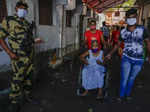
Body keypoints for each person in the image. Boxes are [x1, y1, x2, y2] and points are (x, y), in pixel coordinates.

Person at [0, 1, 41, 112]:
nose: (23, 10)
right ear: (16, 8)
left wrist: (35, 41)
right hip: (18, 57)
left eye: (25, 9)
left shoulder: (27, 23)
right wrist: (10, 53)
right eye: (21, 8)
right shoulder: (8, 20)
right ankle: (14, 102)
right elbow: (1, 38)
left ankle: (27, 96)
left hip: (30, 56)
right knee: (17, 79)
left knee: (28, 78)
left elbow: (28, 40)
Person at [106, 8, 150, 102]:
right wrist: (110, 54)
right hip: (126, 57)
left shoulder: (143, 30)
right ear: (126, 19)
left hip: (139, 60)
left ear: (136, 17)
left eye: (133, 17)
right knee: (124, 78)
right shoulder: (123, 32)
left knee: (132, 78)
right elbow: (118, 44)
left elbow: (148, 43)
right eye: (129, 18)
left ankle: (128, 94)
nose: (131, 19)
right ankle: (121, 96)